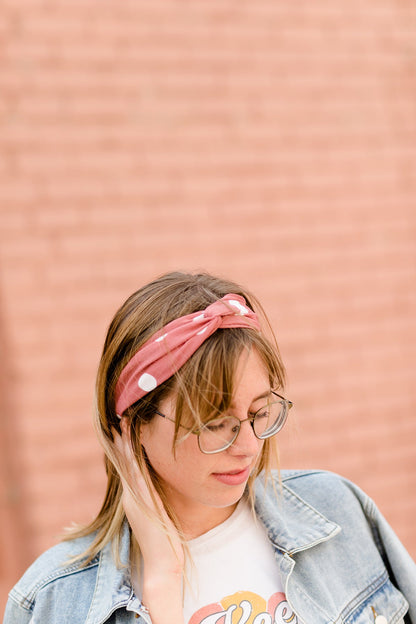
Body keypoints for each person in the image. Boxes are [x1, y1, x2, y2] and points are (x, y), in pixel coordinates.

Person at [3, 271, 416, 624]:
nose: (249, 446)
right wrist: (164, 582)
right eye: (215, 425)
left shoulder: (335, 509)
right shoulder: (56, 601)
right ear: (131, 426)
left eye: (259, 412)